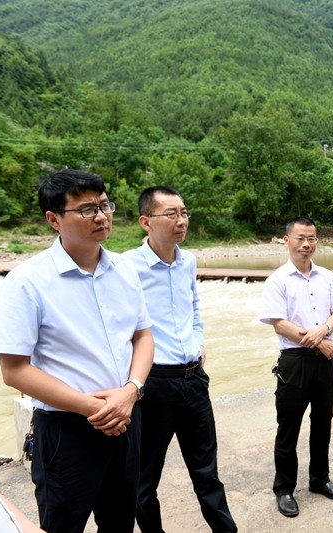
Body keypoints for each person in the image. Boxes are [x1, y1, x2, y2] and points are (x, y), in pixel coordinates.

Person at [0, 169, 154, 532]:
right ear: (54, 219)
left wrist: (132, 390)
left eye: (105, 205)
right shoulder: (27, 281)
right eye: (86, 209)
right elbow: (14, 370)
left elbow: (143, 335)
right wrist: (92, 408)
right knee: (63, 525)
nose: (101, 216)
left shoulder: (126, 270)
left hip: (126, 418)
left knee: (120, 522)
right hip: (67, 431)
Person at [123, 186, 238, 532]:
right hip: (153, 384)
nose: (181, 220)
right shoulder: (126, 266)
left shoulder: (188, 261)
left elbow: (195, 307)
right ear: (146, 222)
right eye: (171, 214)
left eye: (184, 213)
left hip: (193, 381)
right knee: (144, 480)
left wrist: (197, 341)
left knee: (207, 473)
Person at [260, 216, 333, 518]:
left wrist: (324, 330)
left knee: (323, 422)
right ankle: (284, 488)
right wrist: (318, 341)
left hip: (327, 361)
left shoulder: (327, 277)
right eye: (300, 238)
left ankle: (319, 480)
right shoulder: (278, 280)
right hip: (295, 361)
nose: (306, 244)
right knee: (289, 427)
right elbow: (279, 323)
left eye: (311, 238)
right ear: (287, 240)